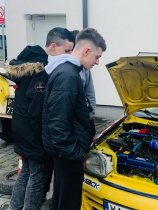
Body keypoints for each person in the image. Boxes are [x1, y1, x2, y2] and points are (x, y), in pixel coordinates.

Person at [7, 27, 74, 210]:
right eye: (67, 51)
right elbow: (38, 112)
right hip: (34, 136)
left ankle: (14, 207)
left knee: (26, 173)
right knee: (37, 177)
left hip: (21, 131)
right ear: (53, 46)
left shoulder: (28, 63)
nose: (70, 55)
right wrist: (46, 140)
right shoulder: (41, 72)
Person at [42, 28, 106, 210]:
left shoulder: (68, 71)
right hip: (68, 154)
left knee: (62, 198)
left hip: (65, 153)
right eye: (96, 56)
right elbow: (57, 121)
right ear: (86, 50)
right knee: (68, 202)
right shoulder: (68, 75)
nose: (98, 62)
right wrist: (74, 152)